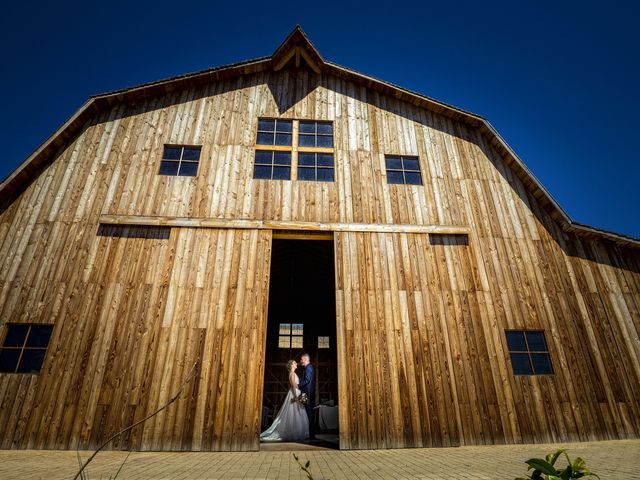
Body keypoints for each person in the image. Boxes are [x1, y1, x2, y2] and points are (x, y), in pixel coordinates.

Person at [260, 359, 309, 442]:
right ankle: (293, 432)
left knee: (296, 413)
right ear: (291, 365)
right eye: (294, 363)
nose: (296, 363)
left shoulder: (292, 373)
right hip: (294, 393)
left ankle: (295, 431)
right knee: (294, 413)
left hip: (296, 392)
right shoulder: (292, 374)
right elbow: (293, 386)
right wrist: (296, 397)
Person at [297, 353, 315, 439]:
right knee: (306, 411)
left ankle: (311, 434)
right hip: (305, 392)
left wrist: (299, 385)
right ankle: (307, 432)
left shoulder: (309, 367)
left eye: (301, 359)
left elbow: (307, 380)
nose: (300, 361)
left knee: (309, 412)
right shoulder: (307, 368)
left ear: (305, 359)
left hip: (307, 393)